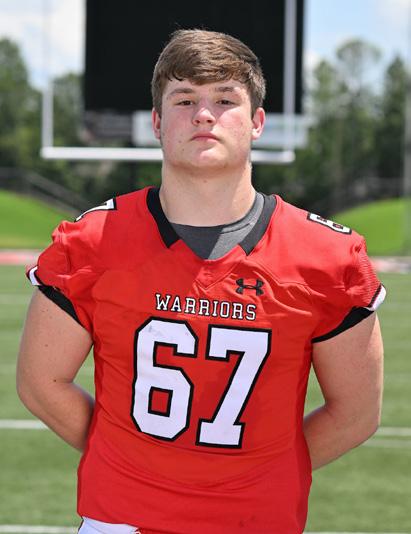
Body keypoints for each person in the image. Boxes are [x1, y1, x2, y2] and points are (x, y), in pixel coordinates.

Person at [17, 29, 385, 534]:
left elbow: (355, 413)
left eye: (225, 100)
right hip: (121, 520)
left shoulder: (326, 257)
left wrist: (254, 474)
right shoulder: (92, 242)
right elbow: (41, 384)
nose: (204, 115)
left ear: (257, 122)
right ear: (157, 122)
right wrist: (132, 460)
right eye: (185, 99)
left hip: (256, 523)